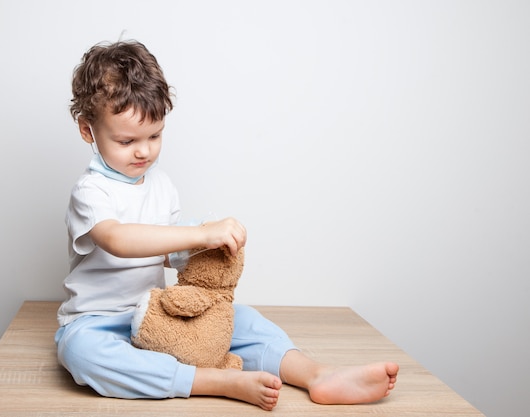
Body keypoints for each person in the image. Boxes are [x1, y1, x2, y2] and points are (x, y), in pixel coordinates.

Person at [55, 39, 399, 411]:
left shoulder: (161, 184)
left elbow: (166, 253)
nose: (143, 151)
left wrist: (208, 248)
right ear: (88, 130)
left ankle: (316, 374)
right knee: (80, 351)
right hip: (98, 322)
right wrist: (199, 233)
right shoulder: (90, 190)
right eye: (126, 140)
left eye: (154, 136)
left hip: (155, 313)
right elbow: (118, 240)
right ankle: (213, 381)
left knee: (240, 319)